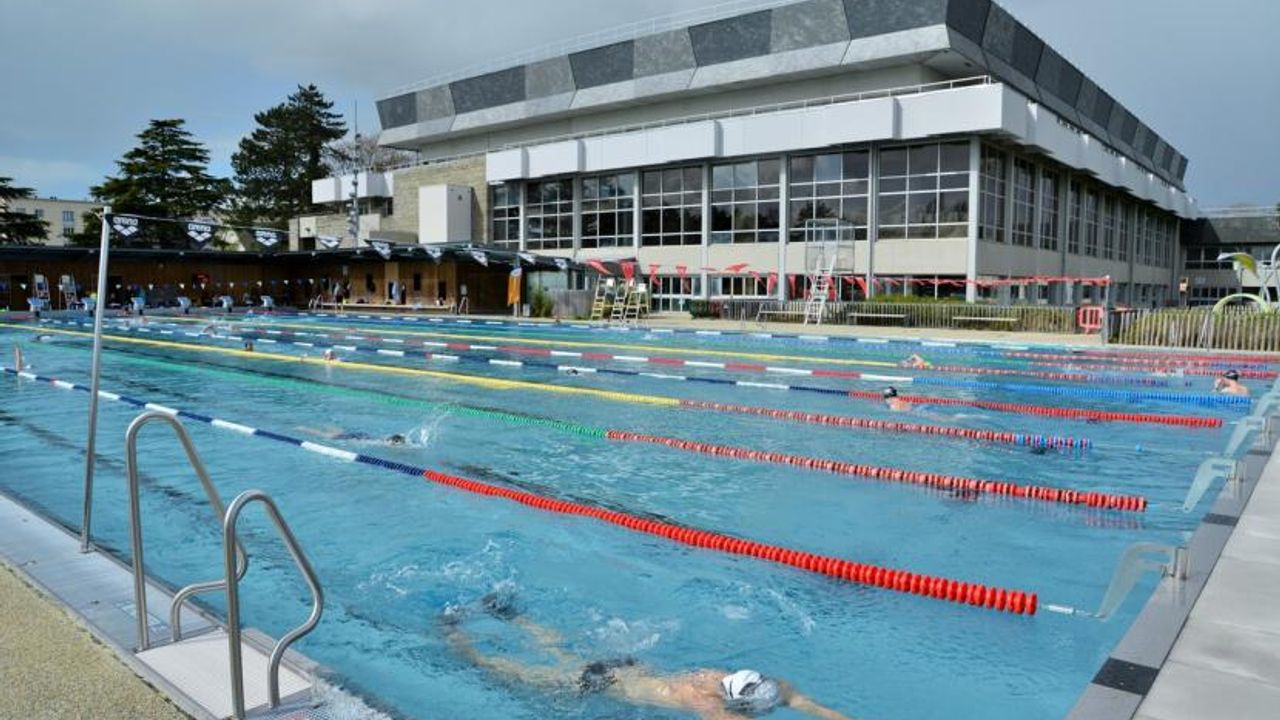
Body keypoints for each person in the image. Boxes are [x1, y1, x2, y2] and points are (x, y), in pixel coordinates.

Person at [440, 592, 852, 720]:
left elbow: (806, 704)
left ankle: (511, 615)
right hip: (604, 681)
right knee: (510, 671)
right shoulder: (703, 701)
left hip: (628, 667)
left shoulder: (745, 682)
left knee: (555, 646)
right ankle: (458, 639)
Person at [298, 426, 407, 446]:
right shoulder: (383, 443)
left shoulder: (384, 440)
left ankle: (327, 425)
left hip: (362, 435)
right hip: (356, 437)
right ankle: (304, 428)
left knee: (339, 432)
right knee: (327, 436)